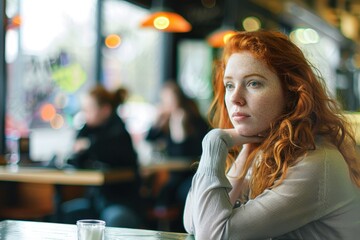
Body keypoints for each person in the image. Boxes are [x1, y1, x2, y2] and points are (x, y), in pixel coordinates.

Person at [183, 31, 360, 239]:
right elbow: (193, 222)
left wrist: (214, 141)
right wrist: (244, 154)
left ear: (291, 93)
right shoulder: (267, 150)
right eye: (230, 85)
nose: (235, 98)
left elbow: (213, 235)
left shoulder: (316, 161)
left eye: (253, 83)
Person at [63, 85, 143, 228]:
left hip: (121, 202)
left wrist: (88, 145)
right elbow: (75, 158)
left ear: (105, 110)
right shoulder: (89, 129)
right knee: (64, 213)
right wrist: (84, 137)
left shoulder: (119, 133)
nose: (85, 114)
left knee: (115, 219)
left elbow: (108, 149)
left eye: (89, 109)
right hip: (96, 202)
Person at [145, 81, 209, 225]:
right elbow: (149, 139)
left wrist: (178, 129)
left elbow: (184, 154)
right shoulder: (166, 120)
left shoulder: (194, 121)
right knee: (158, 194)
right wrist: (157, 121)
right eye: (163, 100)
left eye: (168, 99)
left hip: (193, 174)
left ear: (179, 99)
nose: (165, 104)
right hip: (174, 175)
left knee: (179, 193)